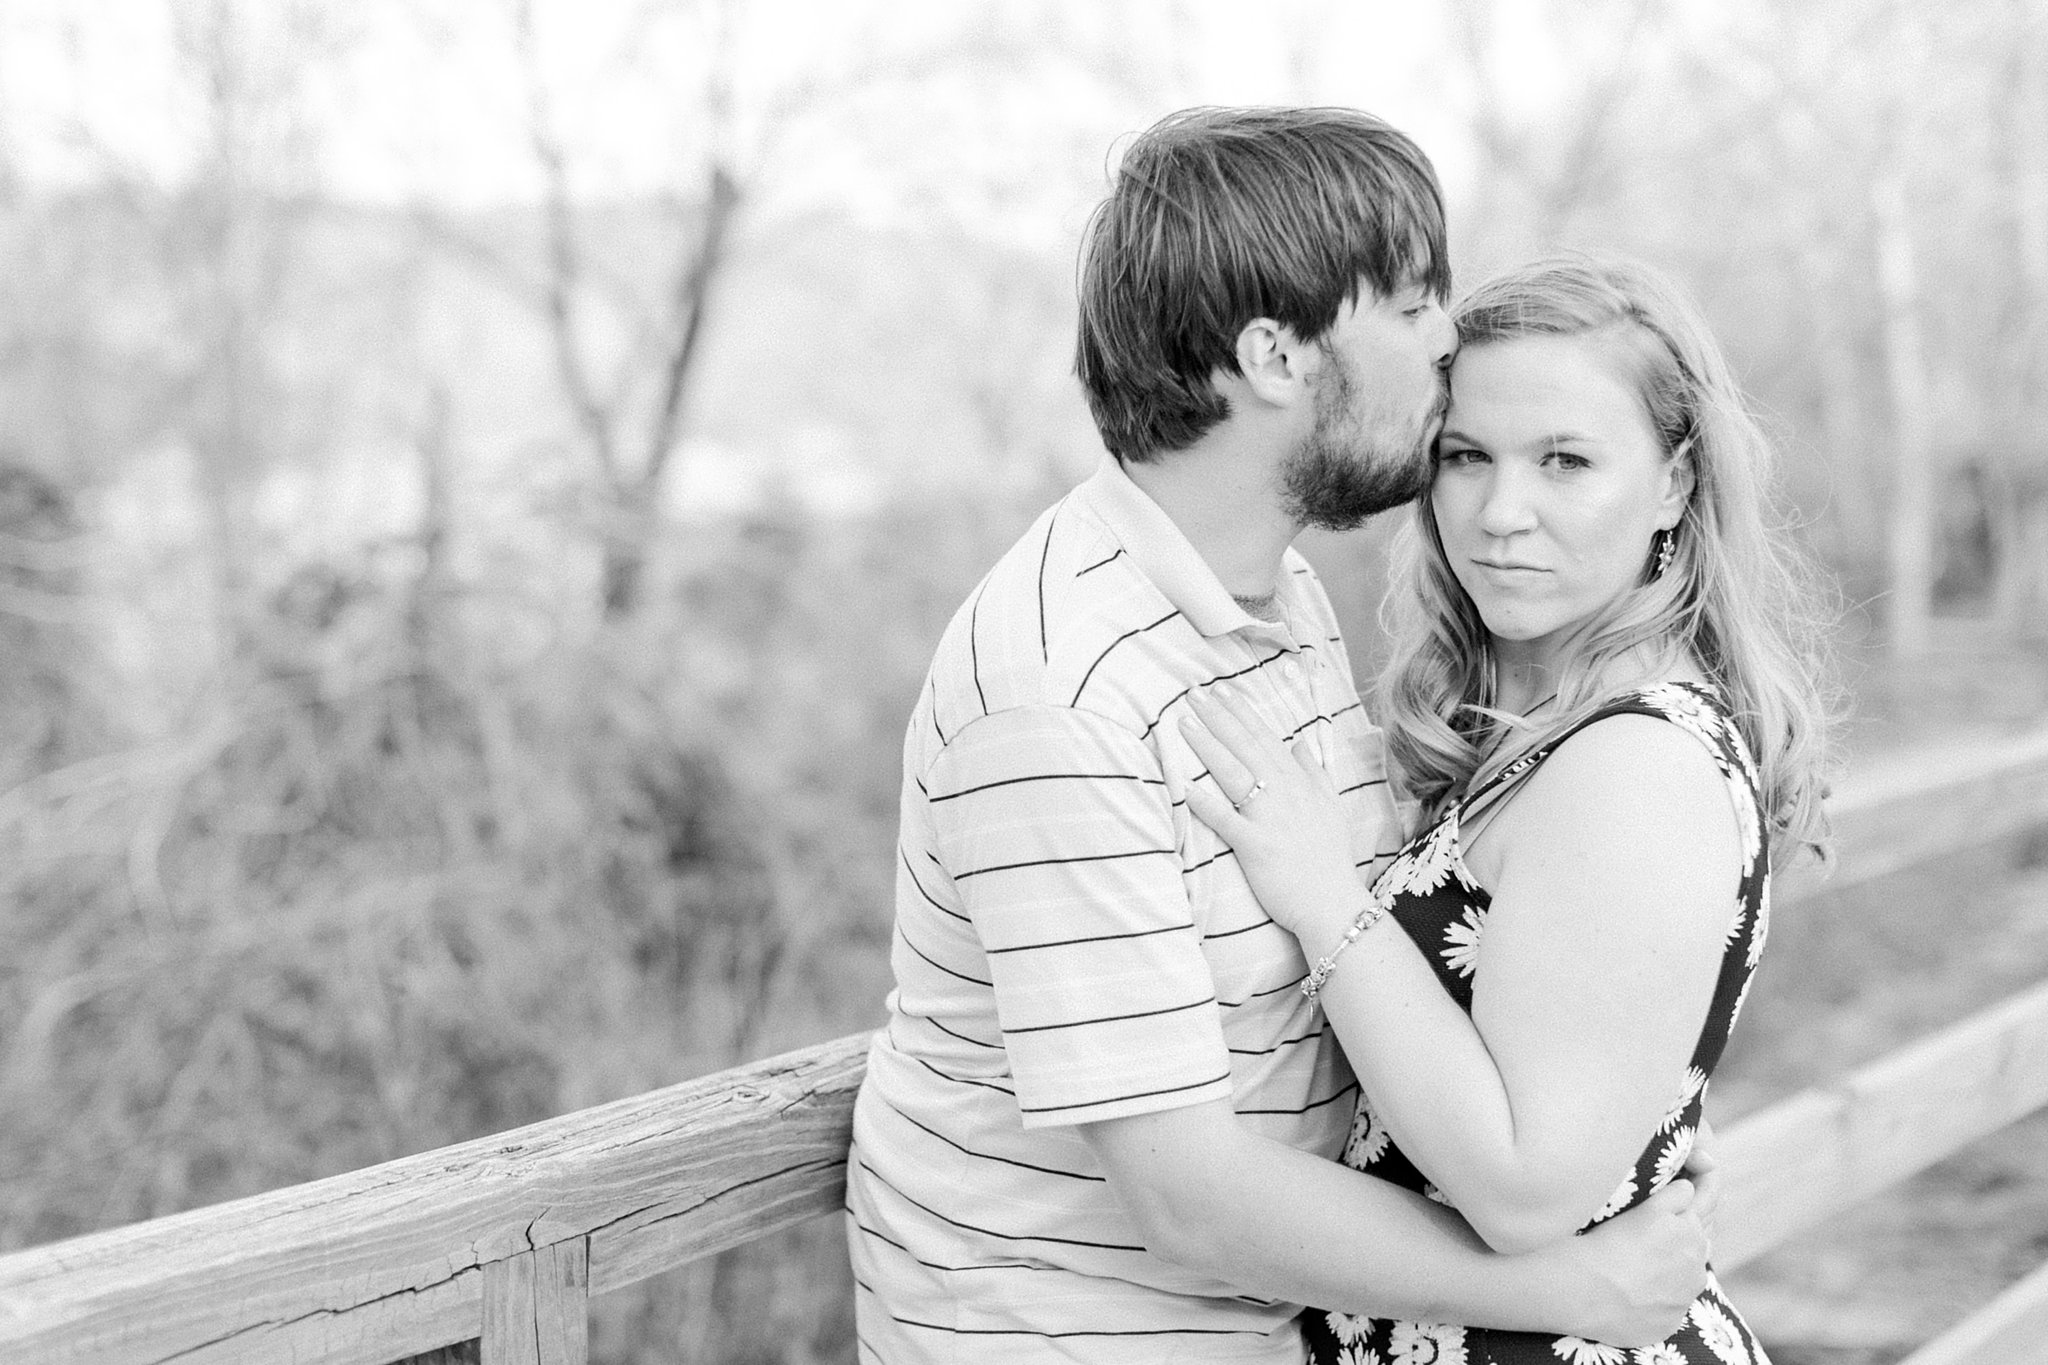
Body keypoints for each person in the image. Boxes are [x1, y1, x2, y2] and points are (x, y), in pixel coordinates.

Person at [844, 110, 1716, 1365]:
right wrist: (1571, 1288)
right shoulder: (1063, 690)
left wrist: (1620, 1142)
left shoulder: (1272, 600)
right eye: (1414, 305)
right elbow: (1187, 1197)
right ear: (1273, 355)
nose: (1447, 339)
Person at [1181, 255, 1838, 1364]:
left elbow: (1525, 1194)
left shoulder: (1631, 765)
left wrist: (1318, 898)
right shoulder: (1546, 730)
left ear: (1674, 484)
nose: (1499, 513)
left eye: (1564, 461)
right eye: (1463, 457)